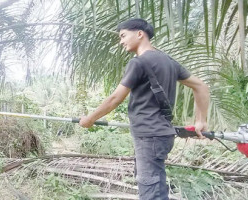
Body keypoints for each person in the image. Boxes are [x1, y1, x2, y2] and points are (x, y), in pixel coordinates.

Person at [79, 18, 210, 200]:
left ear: (140, 34)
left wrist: (89, 119)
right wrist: (200, 120)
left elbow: (115, 98)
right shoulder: (169, 61)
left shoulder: (138, 63)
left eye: (123, 36)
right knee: (154, 187)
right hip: (161, 135)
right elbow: (201, 86)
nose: (121, 41)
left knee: (151, 193)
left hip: (149, 136)